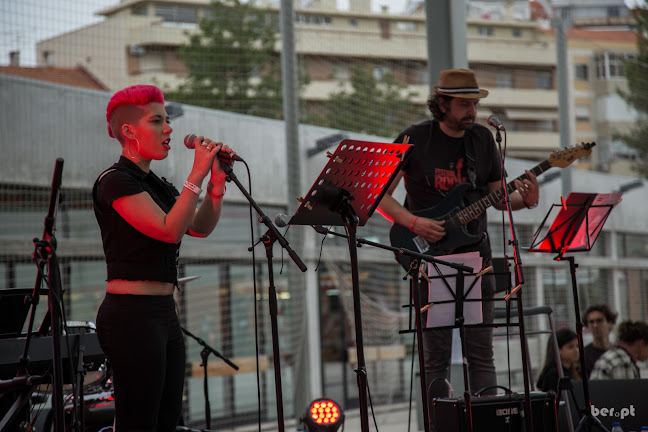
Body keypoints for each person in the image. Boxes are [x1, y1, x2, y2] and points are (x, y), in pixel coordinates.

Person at [377, 69, 539, 398]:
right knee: (434, 357)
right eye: (464, 104)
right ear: (442, 104)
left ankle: (486, 423)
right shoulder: (414, 138)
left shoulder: (481, 140)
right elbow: (380, 195)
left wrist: (527, 202)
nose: (472, 112)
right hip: (428, 258)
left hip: (476, 258)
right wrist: (414, 223)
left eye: (475, 105)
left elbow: (499, 198)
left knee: (482, 355)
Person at [93, 84, 233, 431]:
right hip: (131, 316)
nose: (169, 129)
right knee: (138, 422)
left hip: (163, 312)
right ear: (129, 131)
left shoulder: (157, 183)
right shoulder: (114, 181)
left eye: (166, 120)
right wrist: (196, 175)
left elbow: (198, 227)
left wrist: (216, 184)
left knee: (167, 421)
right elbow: (168, 230)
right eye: (157, 121)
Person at [536, 328, 580, 393]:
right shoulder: (554, 374)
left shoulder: (574, 370)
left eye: (577, 346)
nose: (576, 350)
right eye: (570, 347)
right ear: (558, 350)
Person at [583, 304, 618, 377]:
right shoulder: (583, 355)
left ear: (610, 323)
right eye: (591, 322)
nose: (595, 325)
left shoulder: (618, 352)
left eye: (599, 321)